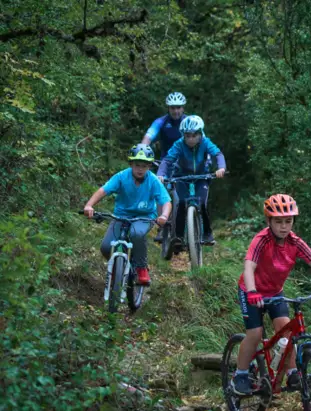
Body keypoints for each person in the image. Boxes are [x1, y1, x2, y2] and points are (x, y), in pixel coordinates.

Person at [230, 194, 311, 396]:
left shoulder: (295, 242)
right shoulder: (261, 240)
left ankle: (293, 372)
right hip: (251, 291)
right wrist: (252, 291)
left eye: (288, 221)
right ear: (269, 221)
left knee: (287, 331)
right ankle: (240, 375)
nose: (284, 226)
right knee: (255, 334)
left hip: (275, 293)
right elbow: (249, 267)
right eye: (278, 221)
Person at [83, 144, 171, 285]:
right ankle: (117, 268)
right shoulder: (121, 177)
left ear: (149, 166)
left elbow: (166, 201)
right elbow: (103, 190)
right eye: (137, 165)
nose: (140, 169)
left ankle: (141, 268)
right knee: (106, 247)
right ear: (131, 164)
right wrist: (89, 205)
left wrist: (164, 216)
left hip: (144, 216)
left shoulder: (153, 180)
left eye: (144, 166)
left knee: (137, 233)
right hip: (121, 216)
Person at [156, 115, 225, 245]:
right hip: (181, 176)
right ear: (183, 135)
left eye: (194, 135)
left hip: (201, 177)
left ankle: (207, 234)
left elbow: (218, 154)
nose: (191, 139)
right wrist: (161, 174)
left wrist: (221, 168)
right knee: (181, 203)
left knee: (202, 203)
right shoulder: (179, 144)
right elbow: (167, 160)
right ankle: (178, 237)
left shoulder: (205, 142)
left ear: (200, 134)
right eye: (187, 136)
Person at [142, 92, 187, 242]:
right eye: (173, 108)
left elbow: (202, 138)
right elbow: (149, 136)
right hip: (165, 163)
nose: (176, 111)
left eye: (178, 107)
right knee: (161, 190)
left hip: (186, 163)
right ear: (168, 108)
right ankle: (162, 225)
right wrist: (142, 151)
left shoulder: (189, 122)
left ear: (183, 108)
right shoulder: (161, 122)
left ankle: (192, 225)